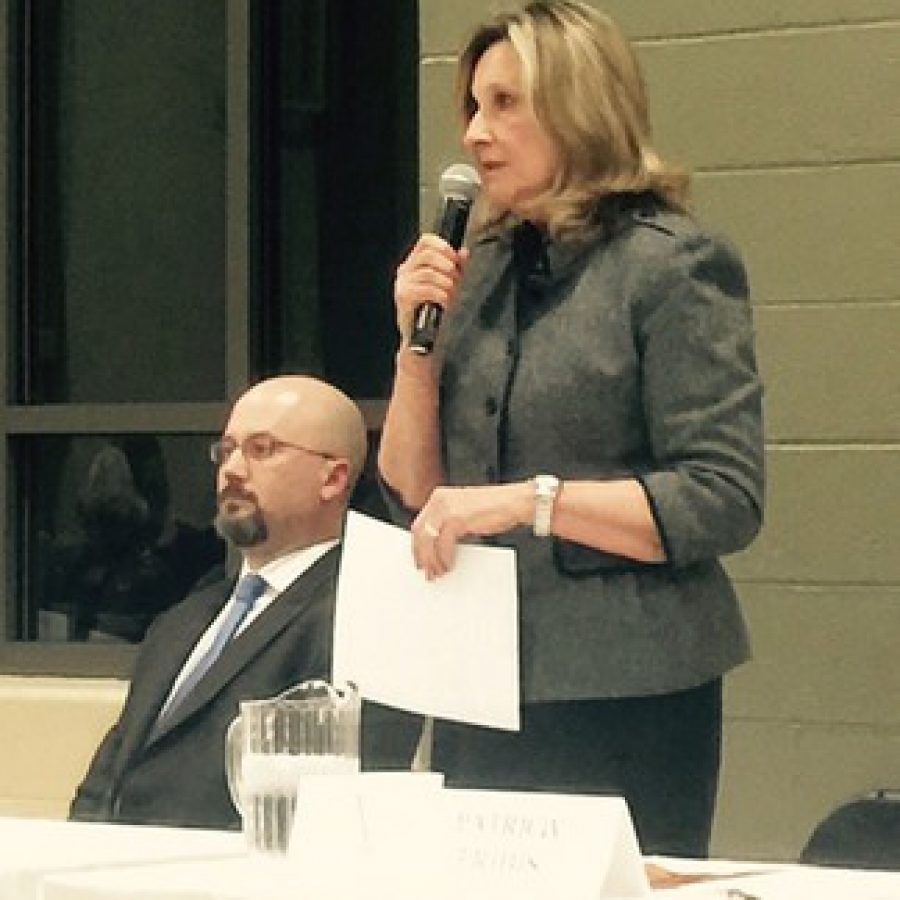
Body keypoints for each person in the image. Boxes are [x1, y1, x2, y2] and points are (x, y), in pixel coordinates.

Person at [378, 0, 764, 857]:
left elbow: (722, 497)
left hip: (626, 684)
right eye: (473, 107)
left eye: (507, 104)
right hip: (480, 679)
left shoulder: (670, 265)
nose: (476, 134)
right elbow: (414, 490)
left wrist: (527, 503)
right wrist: (414, 348)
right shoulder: (481, 273)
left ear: (582, 107)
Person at [71, 375, 417, 829]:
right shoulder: (183, 618)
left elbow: (337, 810)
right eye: (226, 449)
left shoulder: (368, 619)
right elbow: (105, 782)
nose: (232, 469)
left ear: (331, 477)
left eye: (261, 449)